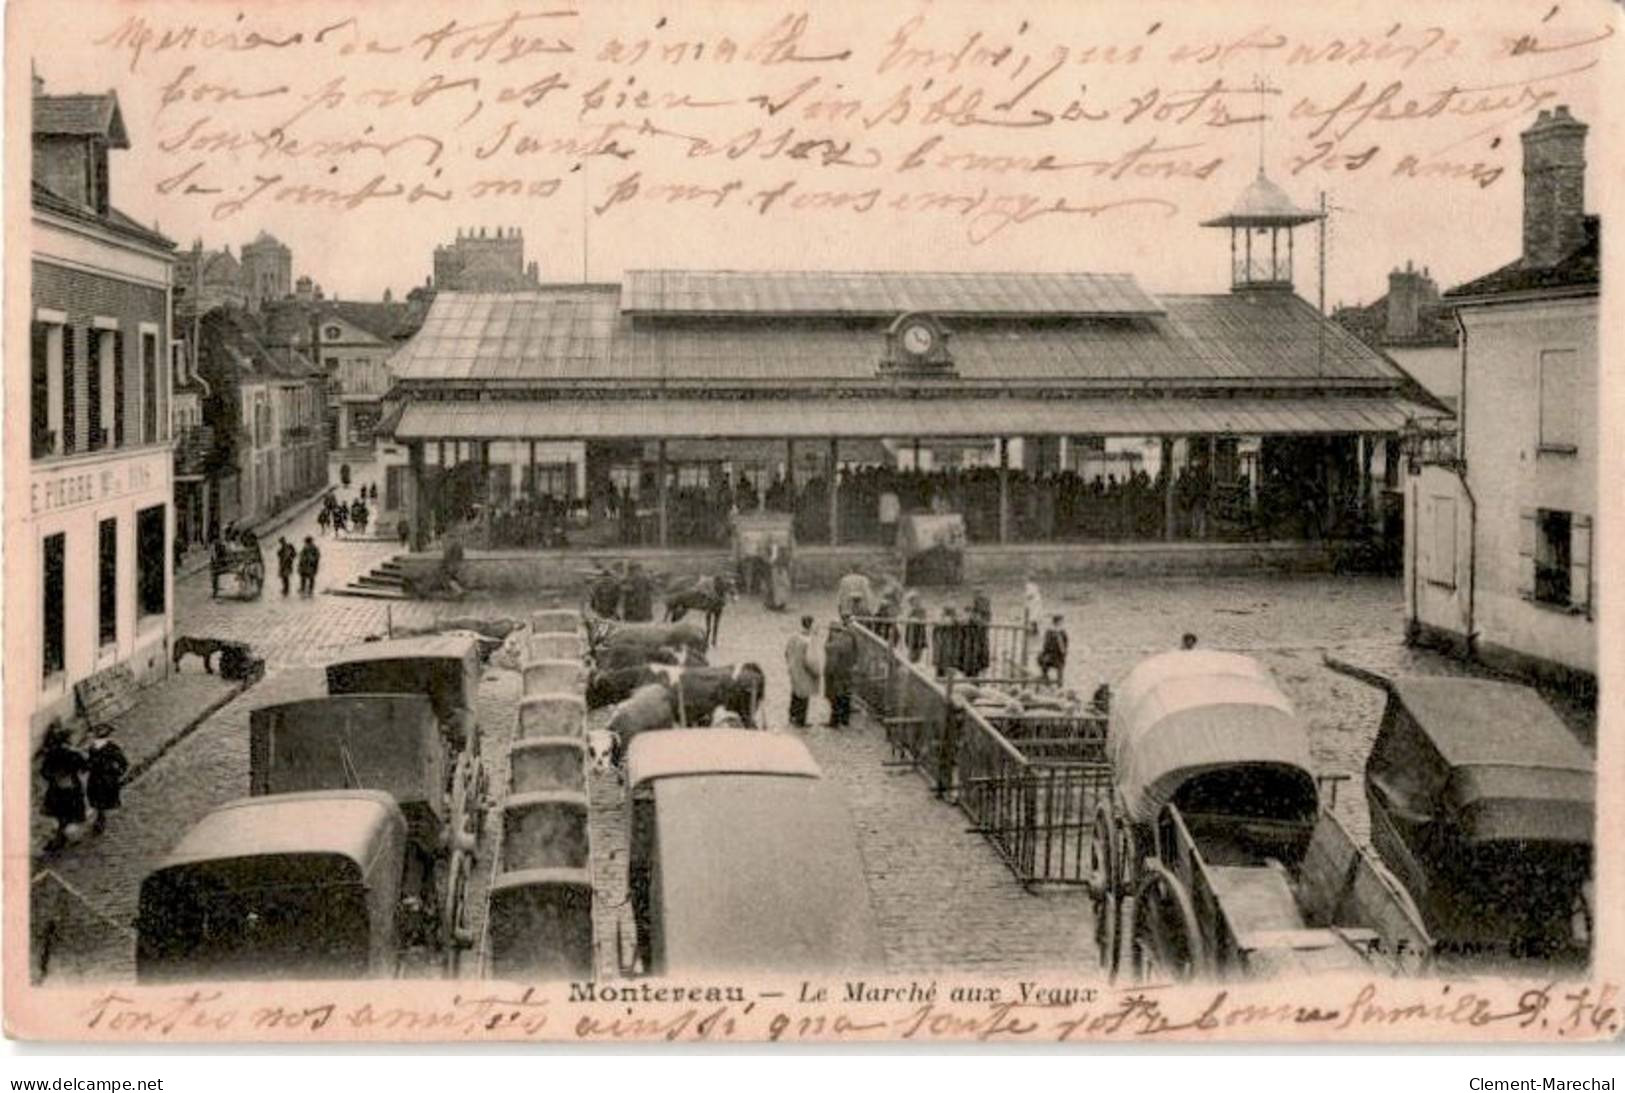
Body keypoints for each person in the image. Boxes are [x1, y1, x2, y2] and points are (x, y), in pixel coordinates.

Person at [38, 721, 87, 854]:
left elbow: (44, 771)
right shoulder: (73, 753)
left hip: (56, 790)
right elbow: (84, 766)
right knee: (70, 813)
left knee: (60, 814)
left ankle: (61, 836)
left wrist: (54, 777)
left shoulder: (51, 753)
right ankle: (63, 837)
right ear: (68, 740)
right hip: (71, 789)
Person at [84, 723, 129, 835]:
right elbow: (123, 762)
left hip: (98, 777)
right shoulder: (109, 746)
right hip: (104, 777)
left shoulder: (94, 747)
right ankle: (100, 818)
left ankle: (100, 818)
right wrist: (118, 773)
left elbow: (122, 762)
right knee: (100, 798)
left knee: (99, 798)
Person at [822, 616, 858, 729]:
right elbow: (856, 653)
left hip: (836, 674)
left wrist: (827, 674)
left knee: (835, 697)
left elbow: (831, 664)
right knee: (846, 695)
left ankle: (834, 721)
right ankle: (845, 719)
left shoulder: (835, 645)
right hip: (847, 671)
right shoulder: (850, 638)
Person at [785, 615, 818, 728]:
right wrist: (816, 672)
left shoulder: (794, 637)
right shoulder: (808, 641)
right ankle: (800, 720)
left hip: (794, 669)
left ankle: (792, 715)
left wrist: (790, 664)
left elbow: (786, 652)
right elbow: (810, 660)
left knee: (795, 693)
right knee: (804, 696)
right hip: (804, 672)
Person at [1038, 614, 1070, 685]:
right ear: (1056, 622)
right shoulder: (1050, 631)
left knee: (1060, 668)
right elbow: (1046, 643)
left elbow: (1066, 642)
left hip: (1059, 654)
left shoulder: (1062, 632)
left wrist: (1064, 651)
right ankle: (1045, 677)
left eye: (1062, 622)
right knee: (1045, 663)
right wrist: (1050, 648)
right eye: (1060, 621)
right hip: (1051, 653)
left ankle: (1059, 683)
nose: (1061, 623)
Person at [903, 590, 929, 664]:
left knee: (919, 650)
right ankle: (910, 663)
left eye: (918, 599)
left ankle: (916, 662)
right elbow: (907, 618)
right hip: (913, 633)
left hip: (920, 632)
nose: (917, 601)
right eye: (914, 600)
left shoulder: (922, 610)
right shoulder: (910, 610)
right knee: (912, 650)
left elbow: (924, 618)